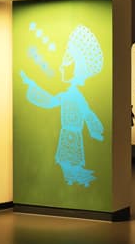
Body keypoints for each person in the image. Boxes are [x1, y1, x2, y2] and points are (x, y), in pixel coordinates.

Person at [20, 24, 104, 187]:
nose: (61, 66)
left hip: (72, 134)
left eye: (67, 60)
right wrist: (32, 85)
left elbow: (86, 112)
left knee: (69, 161)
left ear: (77, 67)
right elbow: (50, 101)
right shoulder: (69, 95)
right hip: (67, 133)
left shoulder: (75, 96)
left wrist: (95, 129)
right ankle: (72, 178)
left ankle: (74, 178)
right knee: (67, 161)